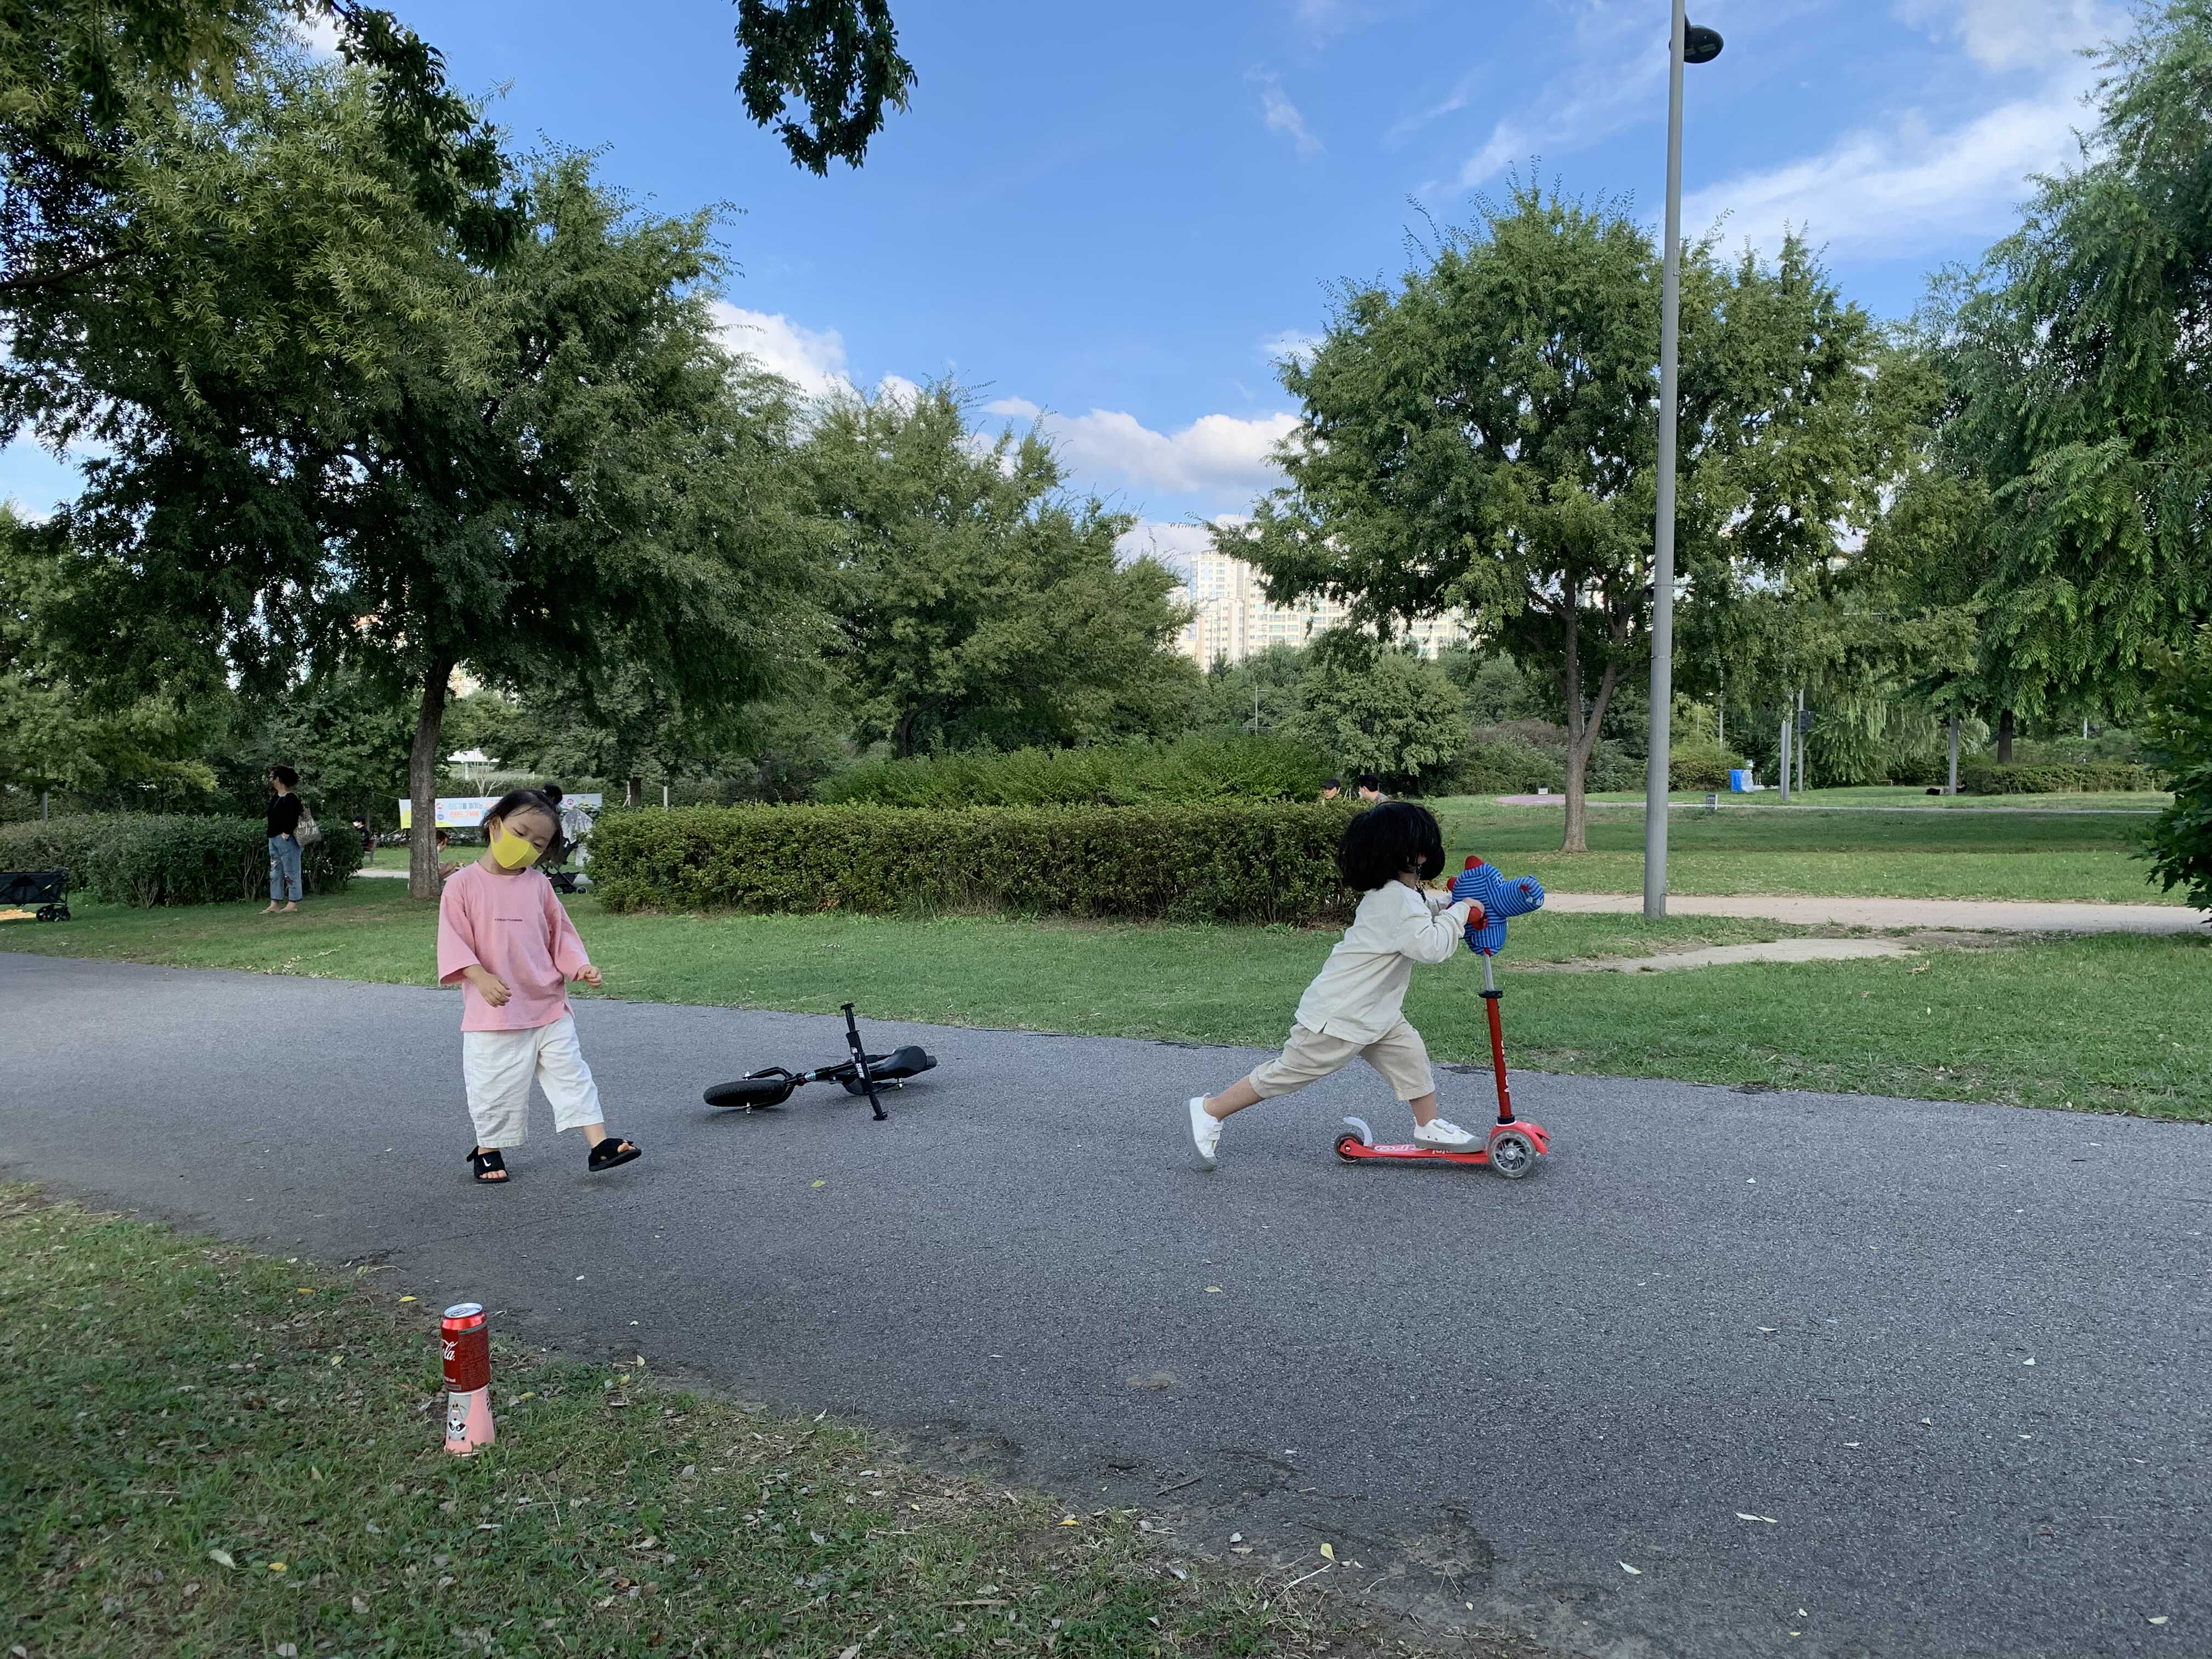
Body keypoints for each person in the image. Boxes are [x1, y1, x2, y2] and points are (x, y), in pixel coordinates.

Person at [1185, 800, 1486, 1169]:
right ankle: (1210, 1110)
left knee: (1411, 1057)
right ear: (1411, 853)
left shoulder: (1397, 896)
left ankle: (1428, 1125)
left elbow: (1417, 920)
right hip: (1341, 1015)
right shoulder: (1397, 900)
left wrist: (1452, 904)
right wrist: (1461, 912)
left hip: (1375, 1012)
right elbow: (1431, 946)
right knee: (1287, 1074)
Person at [436, 788, 640, 1185]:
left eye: (539, 843)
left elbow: (560, 934)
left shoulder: (539, 886)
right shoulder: (462, 885)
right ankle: (487, 1149)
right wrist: (479, 976)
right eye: (520, 833)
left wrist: (579, 966)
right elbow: (453, 940)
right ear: (495, 825)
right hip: (495, 1013)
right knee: (495, 1086)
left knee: (572, 1075)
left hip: (548, 1006)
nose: (527, 846)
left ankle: (599, 1144)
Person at [263, 766, 304, 914]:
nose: (270, 780)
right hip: (273, 839)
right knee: (275, 871)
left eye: (272, 777)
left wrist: (286, 833)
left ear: (278, 779)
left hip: (287, 840)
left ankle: (293, 903)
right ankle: (274, 903)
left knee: (291, 870)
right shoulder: (275, 797)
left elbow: (295, 817)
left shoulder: (291, 797)